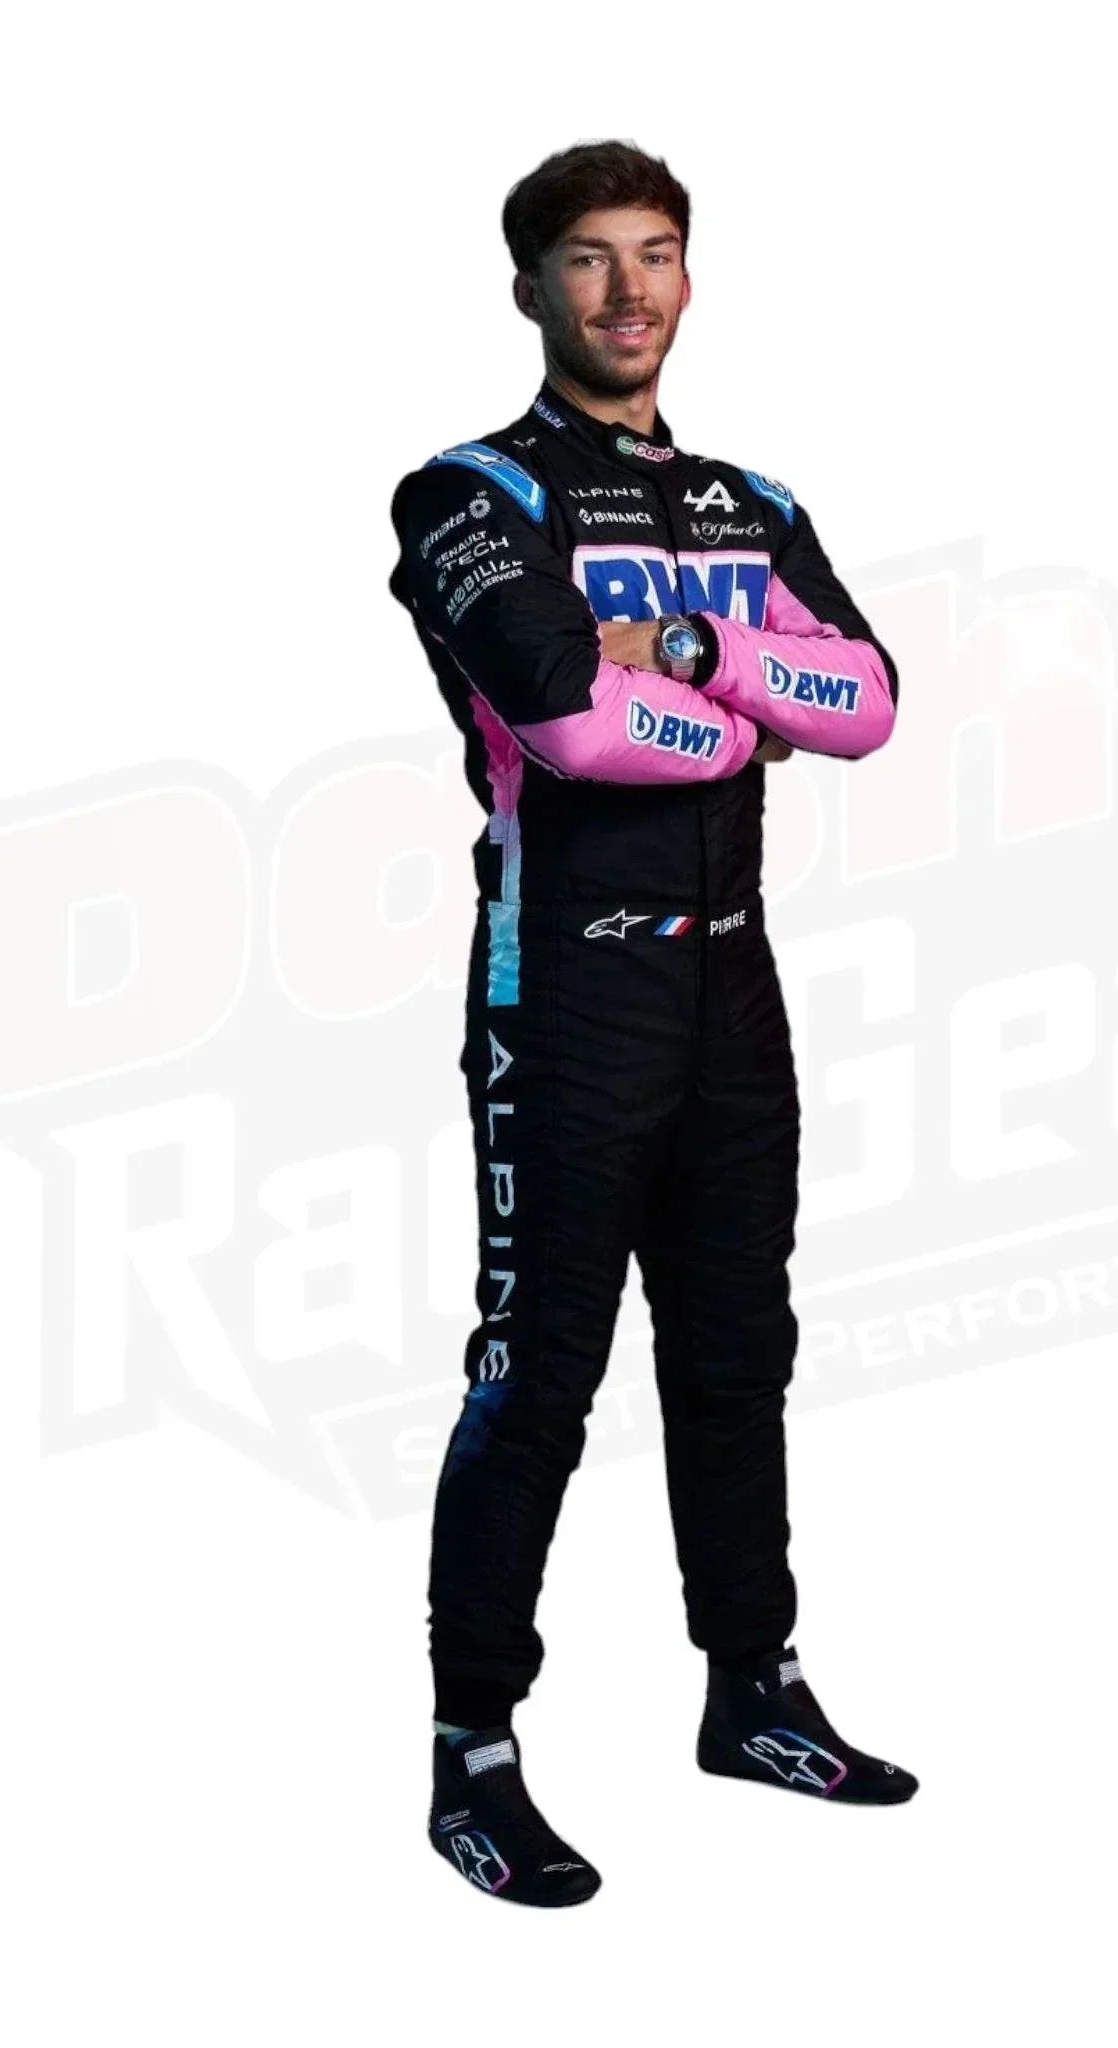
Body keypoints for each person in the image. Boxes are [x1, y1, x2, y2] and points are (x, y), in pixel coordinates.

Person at [387, 141, 916, 1909]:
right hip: (566, 994)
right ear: (530, 286)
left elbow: (871, 702)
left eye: (659, 253)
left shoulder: (751, 502)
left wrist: (687, 655)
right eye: (591, 259)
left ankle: (752, 1690)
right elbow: (568, 721)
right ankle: (473, 1751)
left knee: (739, 1353)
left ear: (690, 276)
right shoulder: (468, 495)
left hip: (731, 990)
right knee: (537, 1377)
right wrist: (744, 689)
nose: (629, 291)